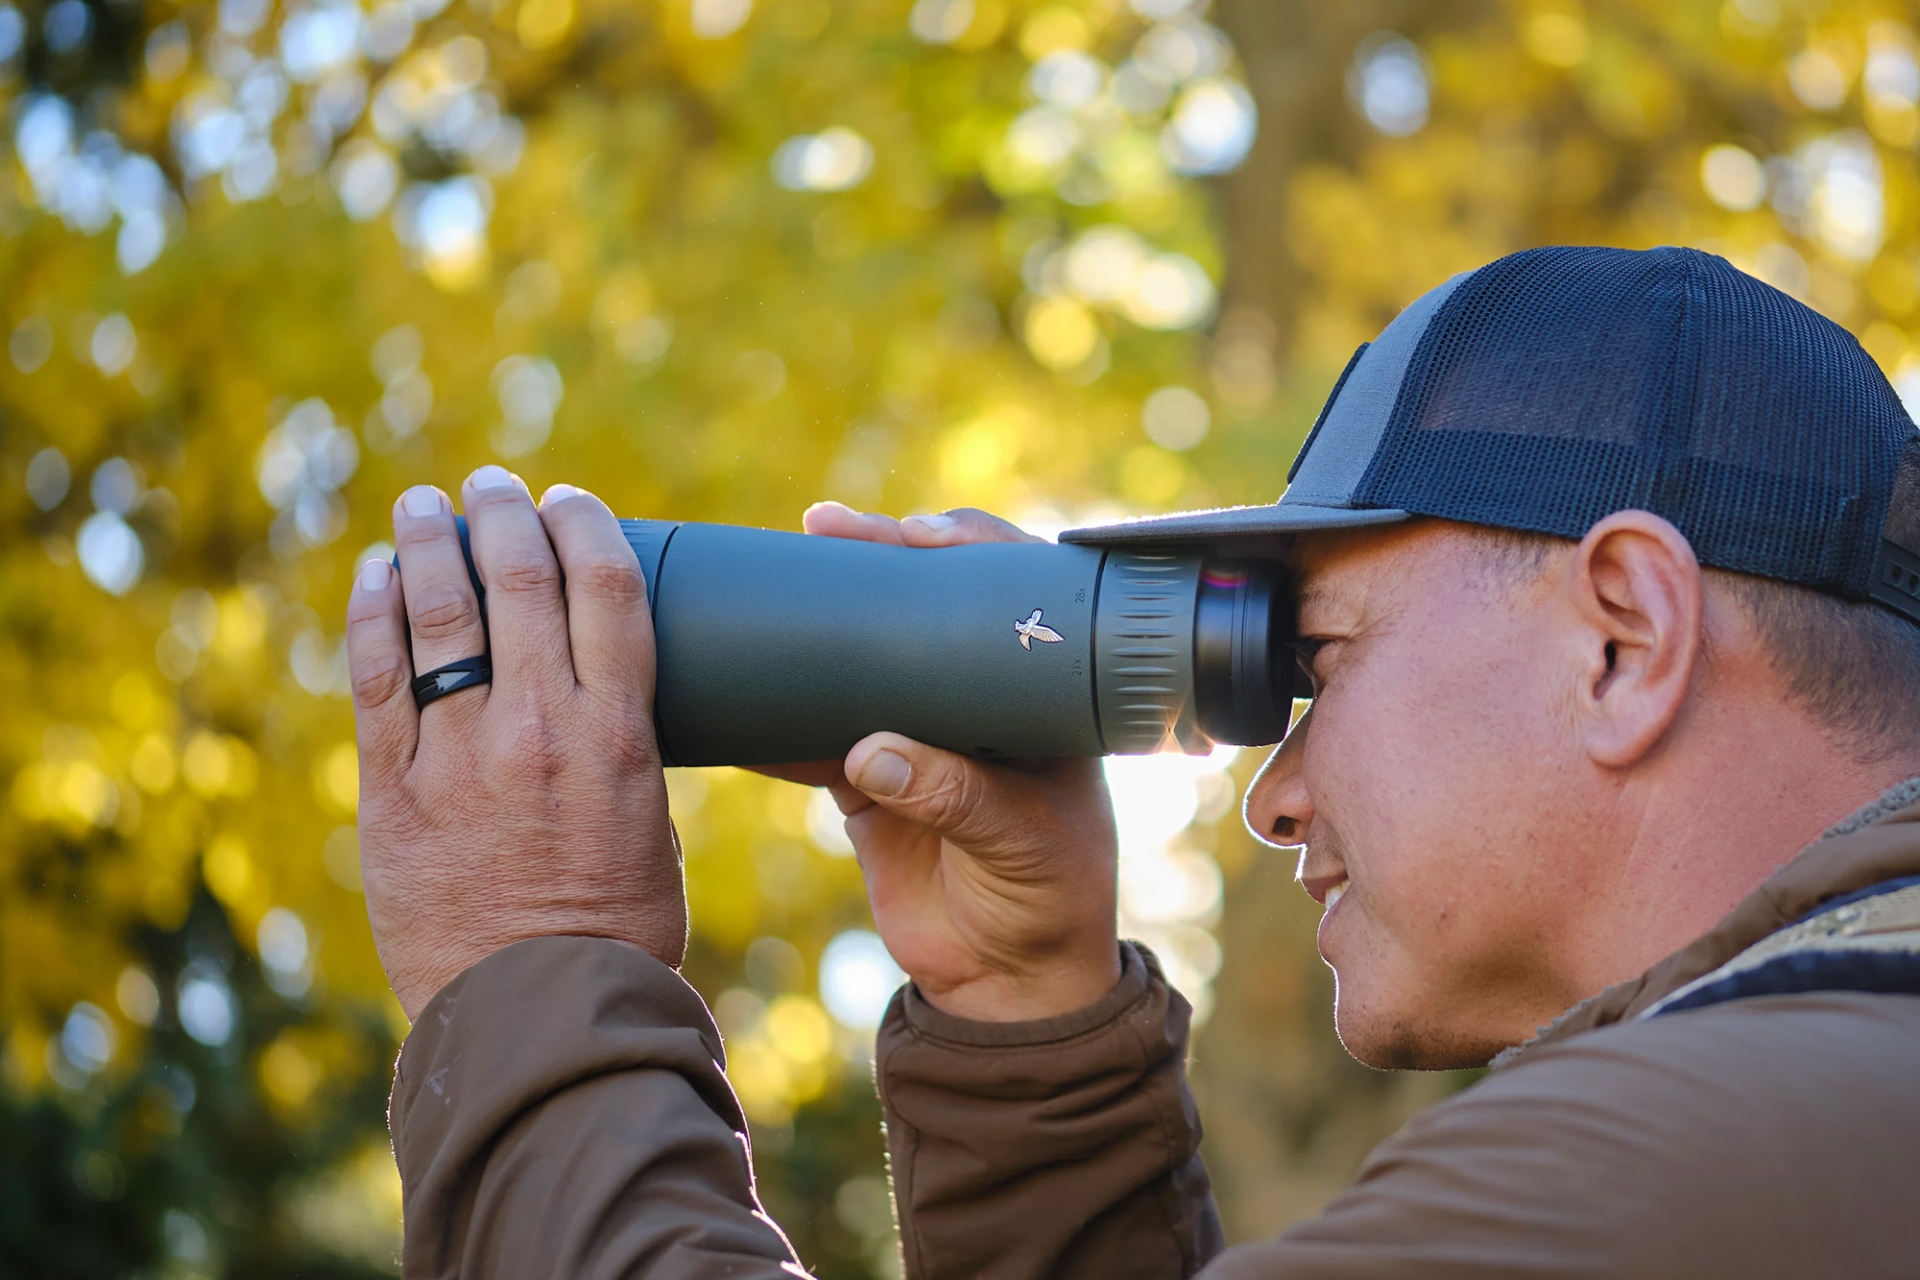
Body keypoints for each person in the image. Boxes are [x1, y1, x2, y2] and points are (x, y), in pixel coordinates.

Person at [344, 245, 1920, 1279]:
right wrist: (1032, 1033)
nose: (1273, 790)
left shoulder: (1680, 1166)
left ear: (1624, 638)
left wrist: (535, 978)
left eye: (1316, 663)